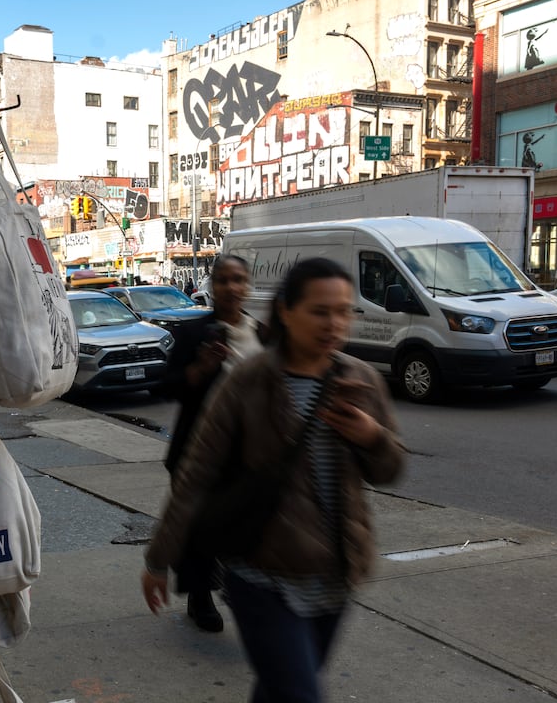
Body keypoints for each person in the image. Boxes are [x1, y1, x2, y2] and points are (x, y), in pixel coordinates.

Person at [141, 257, 405, 703]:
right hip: (261, 575)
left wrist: (372, 436)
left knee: (280, 690)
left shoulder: (359, 379)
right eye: (320, 311)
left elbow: (390, 469)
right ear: (286, 310)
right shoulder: (249, 381)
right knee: (300, 694)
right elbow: (197, 473)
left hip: (335, 575)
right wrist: (158, 558)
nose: (334, 323)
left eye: (343, 311)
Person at [160, 255, 265, 632]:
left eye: (239, 280)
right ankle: (201, 597)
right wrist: (200, 368)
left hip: (248, 455)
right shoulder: (194, 334)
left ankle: (243, 593)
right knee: (200, 531)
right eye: (223, 280)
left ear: (247, 285)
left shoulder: (263, 335)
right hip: (199, 453)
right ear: (212, 286)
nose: (232, 288)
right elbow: (168, 386)